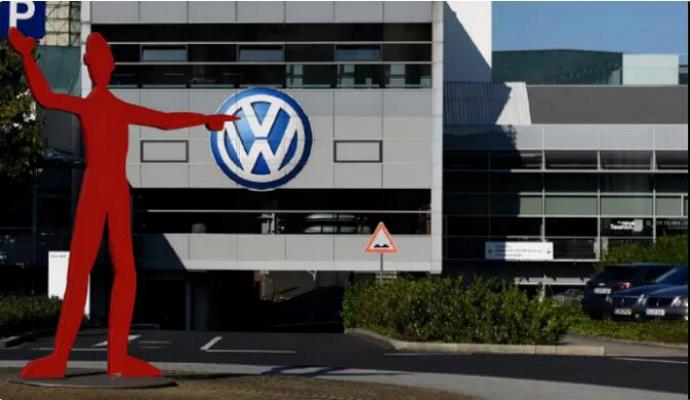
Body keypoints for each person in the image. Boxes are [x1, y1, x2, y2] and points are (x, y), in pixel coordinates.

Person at [8, 27, 238, 379]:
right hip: (104, 189)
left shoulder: (103, 107)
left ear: (101, 65)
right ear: (97, 65)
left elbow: (165, 122)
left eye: (98, 58)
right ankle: (74, 359)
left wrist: (206, 120)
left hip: (109, 189)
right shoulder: (99, 107)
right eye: (95, 59)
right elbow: (45, 96)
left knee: (112, 272)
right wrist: (26, 57)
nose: (98, 64)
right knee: (91, 272)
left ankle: (108, 359)